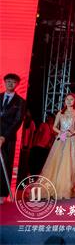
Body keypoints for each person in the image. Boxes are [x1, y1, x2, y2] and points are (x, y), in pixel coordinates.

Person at [40, 93, 75, 199]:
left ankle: (67, 187)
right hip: (62, 137)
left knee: (70, 161)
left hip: (72, 138)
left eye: (71, 99)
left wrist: (72, 132)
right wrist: (61, 133)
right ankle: (54, 185)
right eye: (67, 99)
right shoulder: (60, 113)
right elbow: (54, 127)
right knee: (57, 160)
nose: (69, 101)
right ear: (64, 101)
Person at [0, 73, 25, 202]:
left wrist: (4, 137)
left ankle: (2, 195)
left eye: (13, 82)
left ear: (17, 84)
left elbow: (17, 121)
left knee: (5, 166)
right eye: (8, 81)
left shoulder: (20, 101)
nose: (10, 83)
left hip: (8, 138)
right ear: (4, 82)